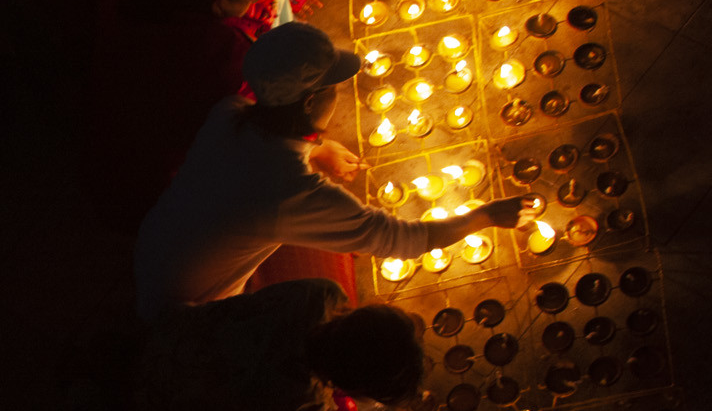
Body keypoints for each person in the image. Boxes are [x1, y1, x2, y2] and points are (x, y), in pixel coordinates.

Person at [135, 22, 535, 320]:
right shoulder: (288, 195)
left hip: (152, 252)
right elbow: (404, 239)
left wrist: (319, 148)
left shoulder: (228, 113)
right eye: (334, 88)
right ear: (310, 103)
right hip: (184, 313)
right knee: (325, 299)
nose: (340, 96)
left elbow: (264, 151)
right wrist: (486, 215)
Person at [138, 277, 422, 411]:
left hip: (168, 330)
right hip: (161, 402)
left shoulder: (321, 294)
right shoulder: (301, 410)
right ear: (356, 387)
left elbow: (307, 362)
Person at [85, 0, 276, 220]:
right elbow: (252, 122)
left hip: (98, 154)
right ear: (220, 4)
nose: (253, 4)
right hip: (151, 194)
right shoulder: (220, 51)